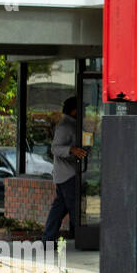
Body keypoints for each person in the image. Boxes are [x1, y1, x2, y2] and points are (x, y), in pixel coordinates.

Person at [42, 96, 87, 245]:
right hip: (68, 175)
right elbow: (55, 148)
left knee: (59, 209)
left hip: (66, 175)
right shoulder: (65, 126)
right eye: (82, 108)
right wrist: (71, 150)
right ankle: (84, 238)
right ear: (74, 110)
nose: (85, 111)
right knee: (76, 209)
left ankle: (48, 239)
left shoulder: (74, 124)